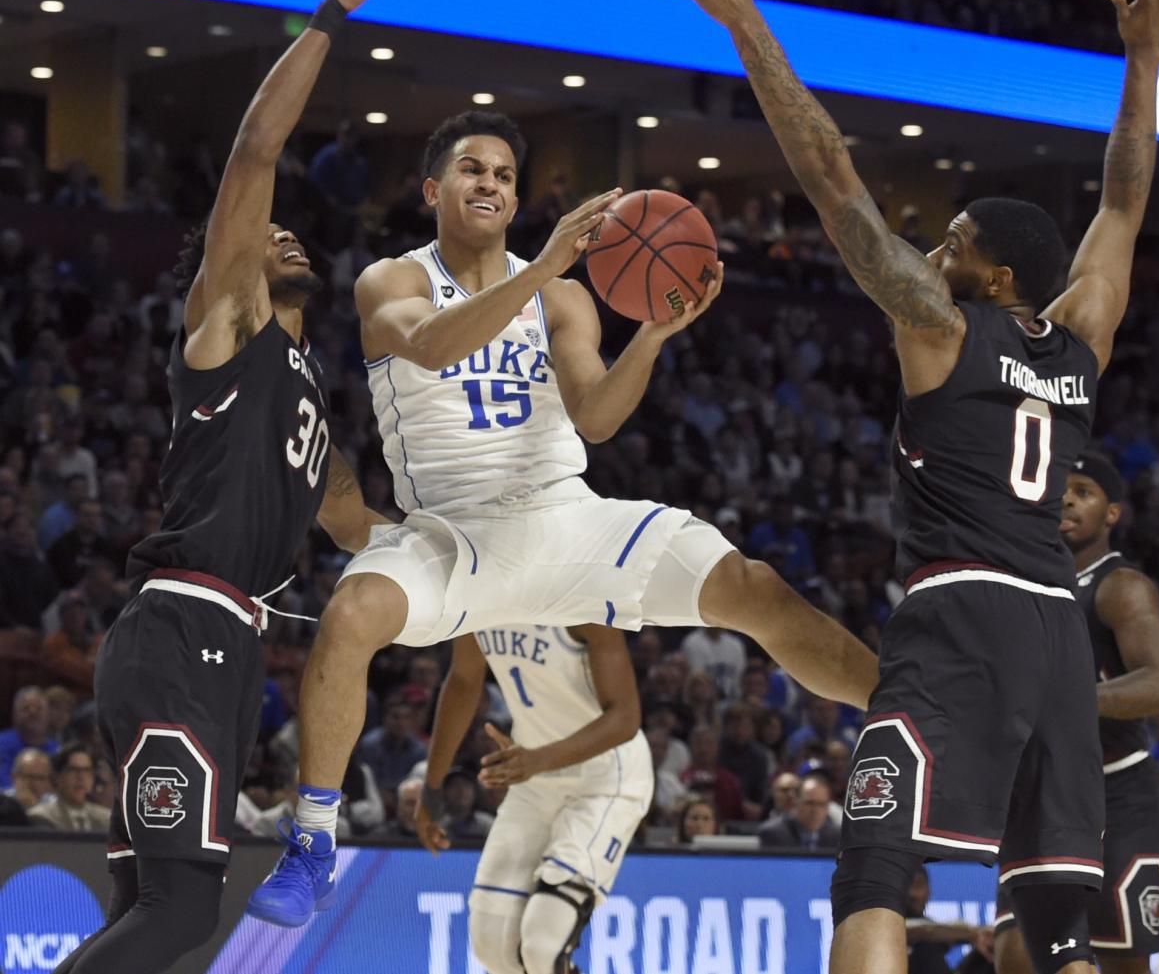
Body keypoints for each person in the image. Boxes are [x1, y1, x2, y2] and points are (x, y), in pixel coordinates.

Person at [660, 0, 1159, 974]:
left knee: (872, 873)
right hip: (1055, 632)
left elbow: (831, 179)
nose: (932, 249)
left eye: (952, 242)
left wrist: (747, 27)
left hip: (961, 616)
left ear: (994, 278)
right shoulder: (1081, 342)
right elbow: (1125, 200)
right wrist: (1145, 57)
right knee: (1054, 931)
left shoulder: (941, 328)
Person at [248, 98, 877, 920]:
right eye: (473, 169)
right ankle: (313, 843)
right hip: (457, 531)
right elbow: (435, 345)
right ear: (431, 188)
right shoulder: (392, 279)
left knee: (751, 585)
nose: (492, 183)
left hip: (566, 516)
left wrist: (651, 335)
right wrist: (543, 266)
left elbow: (599, 417)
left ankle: (912, 713)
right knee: (353, 609)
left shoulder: (567, 300)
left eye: (505, 175)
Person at [50, 0, 410, 974]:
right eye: (268, 233)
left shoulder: (305, 404)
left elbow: (363, 524)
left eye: (296, 233)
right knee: (184, 915)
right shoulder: (229, 325)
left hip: (216, 644)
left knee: (145, 907)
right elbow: (257, 147)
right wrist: (336, 10)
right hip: (184, 627)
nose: (281, 231)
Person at [992, 453, 1159, 973]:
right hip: (1039, 795)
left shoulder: (1121, 587)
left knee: (1121, 962)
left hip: (1117, 795)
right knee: (1015, 954)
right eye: (1060, 488)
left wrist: (1065, 701)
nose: (1067, 498)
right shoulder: (1022, 585)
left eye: (1083, 491)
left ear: (1112, 514)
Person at [413, 624, 650, 974]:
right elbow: (463, 679)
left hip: (605, 777)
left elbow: (625, 718)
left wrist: (537, 760)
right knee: (492, 946)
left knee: (543, 944)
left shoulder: (582, 595)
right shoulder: (477, 588)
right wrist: (431, 787)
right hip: (535, 778)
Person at [906, 865, 995, 974]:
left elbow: (939, 929)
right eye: (905, 887)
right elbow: (922, 931)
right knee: (923, 946)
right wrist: (973, 933)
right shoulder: (887, 924)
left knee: (993, 950)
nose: (912, 894)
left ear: (929, 892)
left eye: (918, 886)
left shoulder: (937, 929)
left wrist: (984, 936)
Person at [28, 744, 110, 832]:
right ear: (57, 776)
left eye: (86, 770)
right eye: (73, 770)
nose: (81, 777)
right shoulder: (42, 817)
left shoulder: (107, 819)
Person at [757, 773, 839, 852]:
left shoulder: (837, 837)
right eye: (809, 803)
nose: (815, 810)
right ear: (796, 802)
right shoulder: (773, 834)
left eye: (821, 804)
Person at [0, 687, 58, 789]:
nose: (33, 712)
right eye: (26, 708)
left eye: (39, 708)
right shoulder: (2, 744)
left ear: (48, 715)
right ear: (14, 715)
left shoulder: (57, 750)